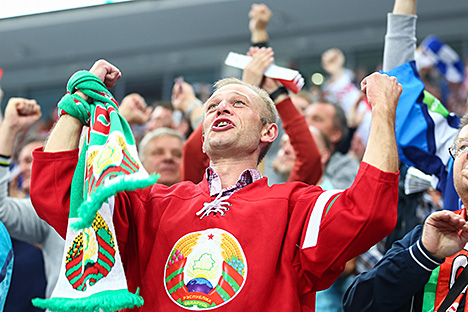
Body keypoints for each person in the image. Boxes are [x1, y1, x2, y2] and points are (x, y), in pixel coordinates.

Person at [31, 58, 401, 311]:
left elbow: (368, 211)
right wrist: (79, 99)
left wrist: (382, 112)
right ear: (203, 135)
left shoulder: (296, 204)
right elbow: (59, 196)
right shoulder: (154, 203)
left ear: (268, 131)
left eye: (238, 103)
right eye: (212, 106)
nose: (221, 109)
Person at [343, 0, 468, 310]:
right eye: (464, 147)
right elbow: (397, 92)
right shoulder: (431, 234)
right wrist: (422, 254)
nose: (466, 152)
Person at [0, 98, 64, 310]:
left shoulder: (67, 205)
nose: (26, 167)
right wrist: (9, 128)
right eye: (23, 161)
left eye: (35, 159)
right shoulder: (37, 214)